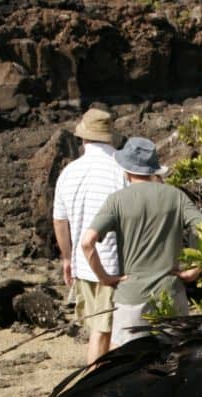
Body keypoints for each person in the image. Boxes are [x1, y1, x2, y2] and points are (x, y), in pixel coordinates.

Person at [81, 137, 202, 347]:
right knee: (174, 364)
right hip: (171, 293)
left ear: (125, 169)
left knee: (129, 367)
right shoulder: (176, 196)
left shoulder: (117, 200)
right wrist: (196, 269)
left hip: (131, 296)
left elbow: (87, 243)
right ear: (154, 169)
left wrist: (105, 278)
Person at [53, 108, 126, 364]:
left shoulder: (69, 172)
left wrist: (66, 258)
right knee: (108, 332)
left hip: (83, 264)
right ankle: (98, 387)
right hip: (116, 266)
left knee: (97, 329)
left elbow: (60, 221)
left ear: (83, 138)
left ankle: (97, 385)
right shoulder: (121, 169)